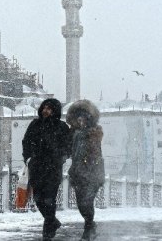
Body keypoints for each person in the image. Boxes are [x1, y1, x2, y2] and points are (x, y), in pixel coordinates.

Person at [22, 98, 72, 240]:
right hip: (36, 168)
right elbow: (26, 142)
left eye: (49, 108)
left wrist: (62, 157)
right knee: (38, 199)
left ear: (55, 111)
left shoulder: (62, 127)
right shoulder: (35, 124)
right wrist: (28, 158)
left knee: (49, 200)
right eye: (44, 107)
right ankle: (53, 222)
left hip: (53, 169)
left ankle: (47, 234)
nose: (45, 110)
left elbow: (69, 146)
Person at [66, 99, 105, 241]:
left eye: (83, 118)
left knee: (86, 202)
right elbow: (68, 150)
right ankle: (90, 226)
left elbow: (93, 149)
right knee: (81, 204)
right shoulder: (74, 134)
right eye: (78, 118)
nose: (81, 121)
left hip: (93, 173)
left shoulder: (94, 132)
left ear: (89, 119)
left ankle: (88, 230)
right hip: (77, 174)